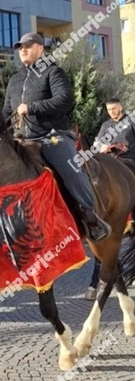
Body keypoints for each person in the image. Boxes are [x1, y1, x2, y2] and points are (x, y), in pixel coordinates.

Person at [3, 32, 111, 242]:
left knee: (69, 168)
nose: (22, 50)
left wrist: (31, 107)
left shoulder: (53, 72)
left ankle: (90, 215)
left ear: (40, 48)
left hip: (52, 136)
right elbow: (6, 112)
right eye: (20, 47)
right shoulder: (14, 80)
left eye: (28, 45)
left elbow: (64, 100)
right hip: (23, 139)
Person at [85, 98, 135, 299]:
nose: (112, 112)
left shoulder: (131, 120)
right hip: (110, 163)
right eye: (109, 110)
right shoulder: (105, 125)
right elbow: (97, 144)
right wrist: (101, 149)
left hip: (130, 161)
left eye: (114, 109)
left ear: (121, 107)